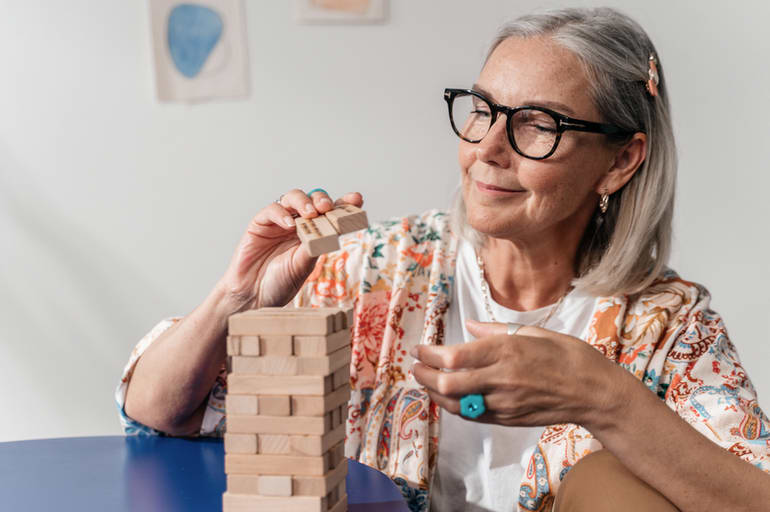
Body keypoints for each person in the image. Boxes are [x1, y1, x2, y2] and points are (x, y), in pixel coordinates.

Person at [116, 7, 770, 512]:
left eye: (538, 124)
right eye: (483, 110)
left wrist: (608, 401)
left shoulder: (669, 323)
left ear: (621, 160)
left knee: (610, 481)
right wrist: (237, 297)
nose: (488, 147)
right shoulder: (376, 270)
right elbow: (157, 410)